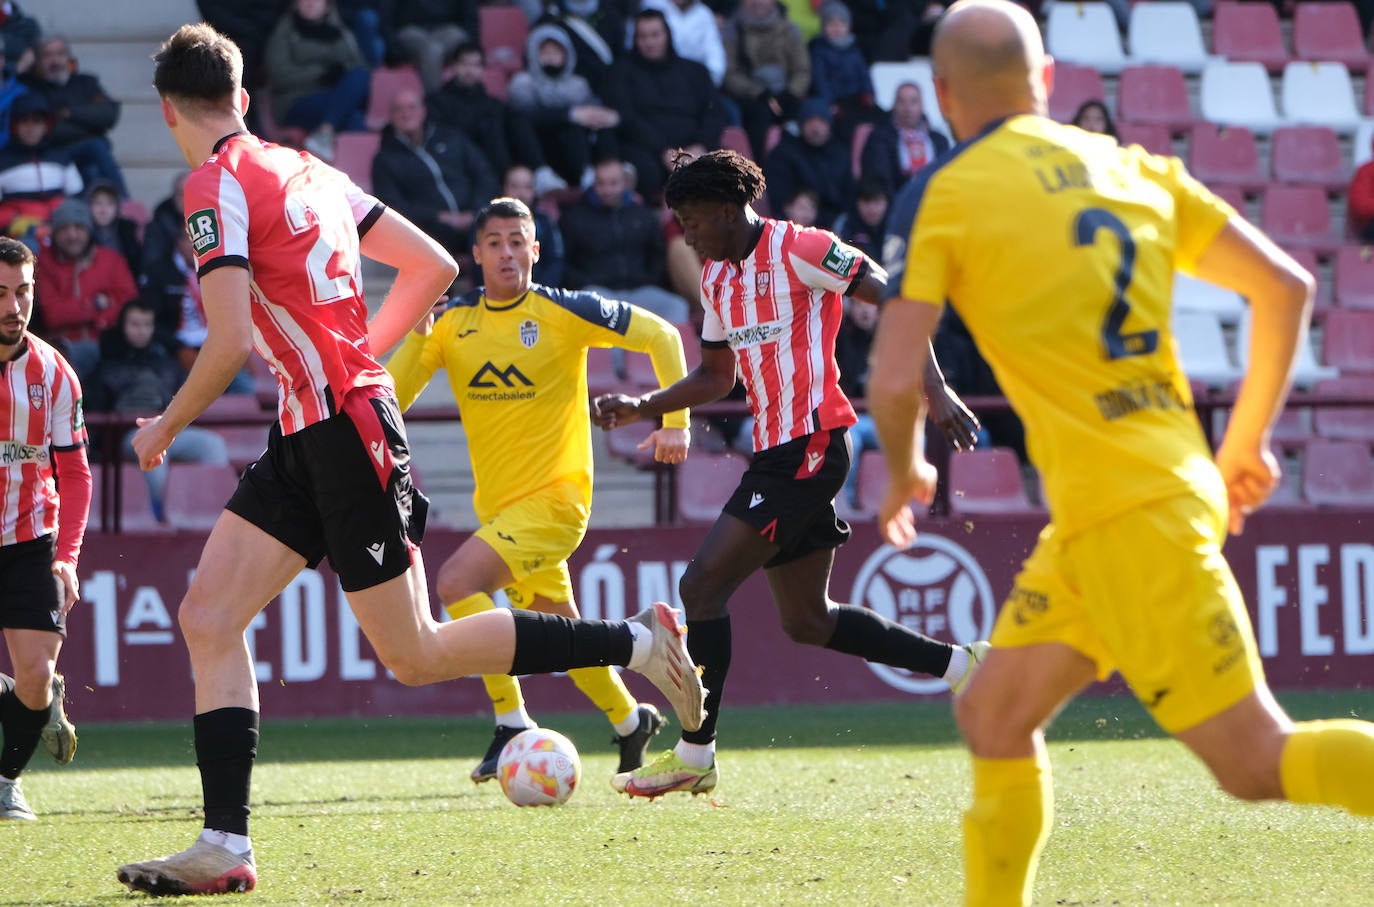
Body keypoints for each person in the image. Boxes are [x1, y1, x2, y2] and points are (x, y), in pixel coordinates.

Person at [115, 24, 704, 896]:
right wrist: (354, 359)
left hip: (340, 429)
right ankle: (224, 841)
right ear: (242, 99)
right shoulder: (307, 168)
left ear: (167, 110)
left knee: (418, 651)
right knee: (207, 615)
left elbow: (231, 336)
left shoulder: (212, 185)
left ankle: (642, 643)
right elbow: (428, 265)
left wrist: (165, 422)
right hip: (316, 426)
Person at [865, 3, 1374, 905]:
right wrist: (1243, 444)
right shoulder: (1133, 167)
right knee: (993, 713)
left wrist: (905, 468)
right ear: (1049, 78)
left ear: (942, 95)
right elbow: (1287, 287)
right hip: (1125, 504)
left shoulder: (945, 190)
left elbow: (896, 374)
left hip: (1128, 514)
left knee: (1256, 761)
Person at [592, 149, 985, 799]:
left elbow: (894, 298)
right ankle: (962, 664)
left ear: (726, 209)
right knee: (808, 620)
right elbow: (717, 375)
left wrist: (933, 390)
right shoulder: (716, 277)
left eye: (691, 221)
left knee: (701, 586)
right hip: (776, 451)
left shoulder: (801, 249)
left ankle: (696, 751)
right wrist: (645, 405)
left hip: (813, 442)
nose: (685, 237)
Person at [388, 196, 694, 782]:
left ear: (536, 249)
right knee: (565, 632)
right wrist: (416, 332)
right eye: (495, 242)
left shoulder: (563, 311)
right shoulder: (451, 324)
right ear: (475, 255)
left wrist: (673, 423)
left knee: (456, 584)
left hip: (558, 502)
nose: (507, 253)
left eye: (517, 240)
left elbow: (661, 335)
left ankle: (512, 720)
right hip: (503, 512)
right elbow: (394, 399)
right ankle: (631, 721)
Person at [0, 235, 90, 820]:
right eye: (1, 294)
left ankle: (5, 780)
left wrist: (69, 557)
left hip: (31, 539)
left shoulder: (55, 373)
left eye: (23, 291)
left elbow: (76, 473)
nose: (14, 306)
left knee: (34, 677)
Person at [86, 299, 231, 524]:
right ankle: (161, 518)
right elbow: (95, 412)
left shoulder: (166, 363)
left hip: (168, 429)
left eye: (146, 324)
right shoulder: (106, 365)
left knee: (213, 446)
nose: (141, 331)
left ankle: (212, 516)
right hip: (127, 436)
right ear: (123, 325)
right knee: (156, 451)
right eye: (135, 324)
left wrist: (166, 427)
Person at [602, 9, 726, 203]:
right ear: (635, 39)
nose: (649, 42)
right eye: (642, 36)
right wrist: (664, 151)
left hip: (695, 149)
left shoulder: (695, 71)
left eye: (655, 35)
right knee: (645, 171)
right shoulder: (620, 72)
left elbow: (714, 113)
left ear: (667, 35)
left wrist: (701, 144)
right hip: (647, 150)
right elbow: (627, 119)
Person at [370, 88, 497, 262]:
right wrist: (439, 217)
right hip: (430, 229)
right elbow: (392, 206)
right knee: (435, 245)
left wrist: (476, 211)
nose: (406, 114)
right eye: (399, 109)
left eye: (411, 107)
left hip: (474, 218)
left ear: (423, 111)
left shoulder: (453, 138)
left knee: (491, 233)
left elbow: (484, 175)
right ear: (391, 117)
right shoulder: (385, 159)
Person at [560, 157, 691, 325]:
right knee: (599, 310)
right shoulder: (575, 218)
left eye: (613, 183)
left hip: (640, 290)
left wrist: (648, 279)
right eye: (601, 183)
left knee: (676, 306)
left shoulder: (642, 215)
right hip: (598, 291)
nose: (607, 190)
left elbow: (657, 255)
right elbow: (565, 263)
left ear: (625, 183)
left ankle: (666, 352)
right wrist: (583, 282)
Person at [33, 197, 137, 380]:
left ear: (89, 230)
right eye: (64, 229)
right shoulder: (43, 264)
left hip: (109, 348)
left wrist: (99, 319)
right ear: (54, 233)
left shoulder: (111, 260)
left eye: (78, 228)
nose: (72, 235)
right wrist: (96, 304)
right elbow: (54, 315)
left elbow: (129, 306)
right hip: (62, 352)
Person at [506, 25, 618, 189]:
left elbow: (589, 114)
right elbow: (524, 113)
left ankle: (589, 174)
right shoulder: (522, 83)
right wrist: (569, 114)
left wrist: (608, 117)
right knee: (520, 120)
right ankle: (542, 175)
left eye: (556, 52)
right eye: (545, 52)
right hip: (535, 150)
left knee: (580, 126)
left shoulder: (577, 85)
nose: (551, 57)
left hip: (569, 152)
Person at [262, 0, 371, 160]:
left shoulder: (339, 32)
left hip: (334, 97)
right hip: (296, 100)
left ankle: (326, 133)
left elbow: (356, 65)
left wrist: (339, 73)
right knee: (353, 118)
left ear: (327, 4)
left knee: (360, 77)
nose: (309, 3)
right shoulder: (284, 32)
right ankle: (327, 135)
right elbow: (280, 75)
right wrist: (320, 75)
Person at [21, 36, 127, 196]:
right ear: (37, 61)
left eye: (60, 54)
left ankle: (121, 209)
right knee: (95, 145)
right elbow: (46, 130)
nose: (55, 61)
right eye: (47, 55)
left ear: (69, 57)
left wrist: (69, 113)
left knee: (92, 168)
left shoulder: (86, 83)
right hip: (51, 153)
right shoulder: (30, 88)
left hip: (88, 157)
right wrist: (89, 126)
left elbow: (109, 114)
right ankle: (125, 202)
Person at [722, 0, 810, 169]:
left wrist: (791, 93)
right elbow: (729, 73)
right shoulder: (732, 30)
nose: (757, 2)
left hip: (787, 93)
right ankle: (759, 173)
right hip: (752, 96)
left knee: (811, 113)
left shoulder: (790, 29)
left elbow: (802, 70)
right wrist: (758, 92)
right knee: (759, 116)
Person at [0, 92, 82, 244]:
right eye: (24, 121)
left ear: (46, 126)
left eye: (36, 122)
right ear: (14, 126)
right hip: (20, 236)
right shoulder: (2, 161)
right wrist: (26, 226)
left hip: (61, 231)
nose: (30, 128)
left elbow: (77, 201)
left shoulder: (62, 157)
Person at [764, 97, 853, 227]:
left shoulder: (841, 154)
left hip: (836, 225)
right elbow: (778, 199)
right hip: (794, 224)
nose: (816, 127)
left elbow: (849, 196)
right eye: (810, 121)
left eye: (821, 121)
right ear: (801, 125)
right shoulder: (783, 153)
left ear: (829, 125)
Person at [860, 81, 951, 196]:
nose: (907, 108)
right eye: (901, 101)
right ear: (894, 105)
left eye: (913, 101)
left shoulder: (939, 141)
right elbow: (879, 179)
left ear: (922, 106)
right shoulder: (879, 138)